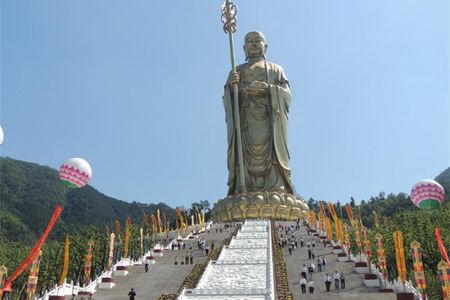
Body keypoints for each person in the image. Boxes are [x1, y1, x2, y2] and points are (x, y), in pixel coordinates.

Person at [224, 31, 293, 195]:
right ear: (243, 48)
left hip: (270, 120)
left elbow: (287, 95)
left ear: (265, 46)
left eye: (258, 40)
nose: (254, 44)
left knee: (273, 153)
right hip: (245, 121)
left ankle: (276, 185)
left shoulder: (276, 70)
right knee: (243, 153)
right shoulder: (237, 72)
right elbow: (228, 101)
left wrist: (269, 89)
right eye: (249, 41)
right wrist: (232, 90)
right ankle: (245, 185)